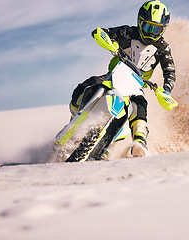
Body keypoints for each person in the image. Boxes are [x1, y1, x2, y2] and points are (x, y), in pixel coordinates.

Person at [69, 0, 176, 157]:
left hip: (137, 84)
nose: (151, 33)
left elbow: (170, 71)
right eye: (147, 27)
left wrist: (166, 90)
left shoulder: (163, 48)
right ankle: (74, 122)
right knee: (85, 86)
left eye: (156, 29)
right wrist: (105, 37)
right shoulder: (128, 32)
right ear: (139, 22)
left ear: (163, 29)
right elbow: (102, 32)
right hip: (114, 76)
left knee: (140, 104)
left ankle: (139, 143)